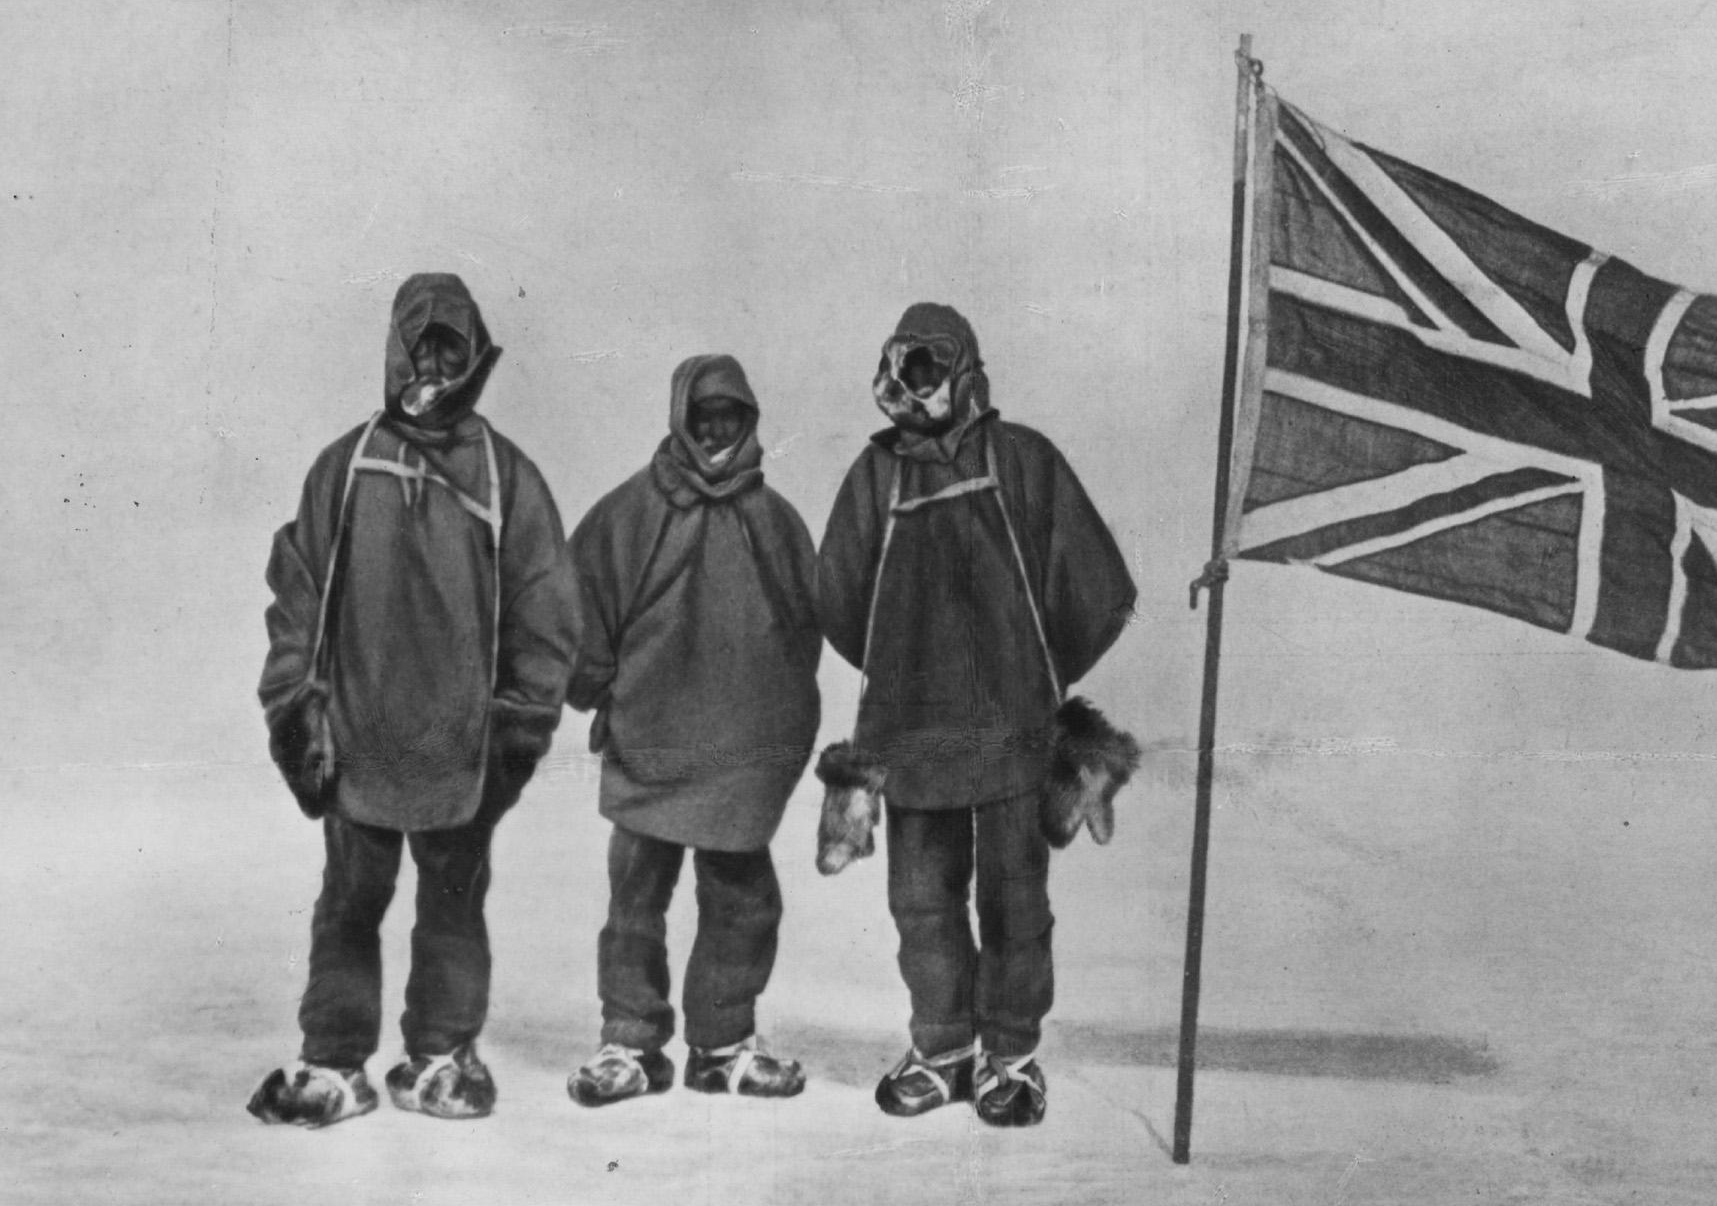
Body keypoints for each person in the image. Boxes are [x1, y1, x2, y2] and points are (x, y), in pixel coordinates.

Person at [249, 273, 579, 1128]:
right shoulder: (345, 465)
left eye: (450, 349)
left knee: (453, 908)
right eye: (419, 346)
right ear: (395, 350)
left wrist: (518, 726)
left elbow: (547, 612)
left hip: (461, 749)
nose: (431, 366)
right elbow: (298, 590)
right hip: (359, 740)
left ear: (473, 359)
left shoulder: (508, 476)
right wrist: (296, 705)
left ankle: (440, 1056)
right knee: (348, 907)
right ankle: (332, 1062)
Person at [816, 303, 1136, 1128]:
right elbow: (839, 597)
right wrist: (901, 669)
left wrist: (1033, 672)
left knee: (1013, 902)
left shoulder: (1023, 460)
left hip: (1011, 735)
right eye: (907, 366)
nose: (919, 383)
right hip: (911, 735)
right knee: (921, 901)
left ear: (965, 371)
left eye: (934, 365)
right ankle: (942, 1050)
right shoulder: (876, 475)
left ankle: (1011, 1058)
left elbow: (1098, 588)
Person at [563, 355, 821, 1107]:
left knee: (742, 900)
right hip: (650, 746)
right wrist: (603, 695)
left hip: (741, 755)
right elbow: (579, 613)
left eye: (730, 416)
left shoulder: (774, 521)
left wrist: (776, 716)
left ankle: (724, 1042)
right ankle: (630, 1041)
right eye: (703, 414)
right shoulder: (629, 512)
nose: (716, 428)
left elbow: (805, 627)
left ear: (749, 421)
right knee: (635, 902)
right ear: (680, 416)